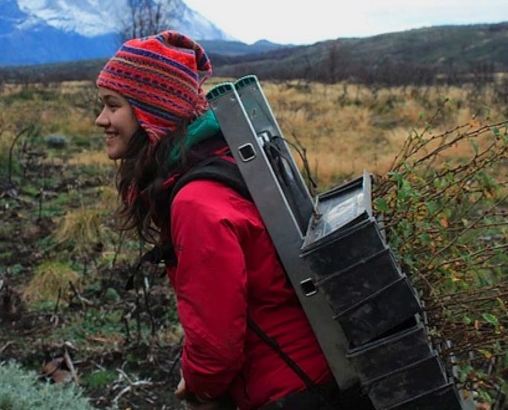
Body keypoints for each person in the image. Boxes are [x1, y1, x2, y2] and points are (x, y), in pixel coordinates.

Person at [94, 31, 342, 410]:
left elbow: (216, 344)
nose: (101, 120)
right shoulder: (221, 161)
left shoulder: (196, 201)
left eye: (113, 106)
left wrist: (201, 389)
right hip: (310, 376)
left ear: (152, 112)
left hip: (290, 391)